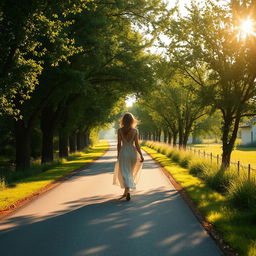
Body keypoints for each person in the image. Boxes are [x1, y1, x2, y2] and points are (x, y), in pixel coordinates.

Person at [113, 112, 144, 201]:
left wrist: (118, 154)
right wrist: (141, 155)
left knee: (124, 172)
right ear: (132, 121)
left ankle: (127, 191)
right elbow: (137, 144)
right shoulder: (135, 131)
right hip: (132, 153)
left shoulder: (119, 130)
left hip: (124, 153)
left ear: (123, 120)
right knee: (130, 172)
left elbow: (119, 144)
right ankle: (127, 192)